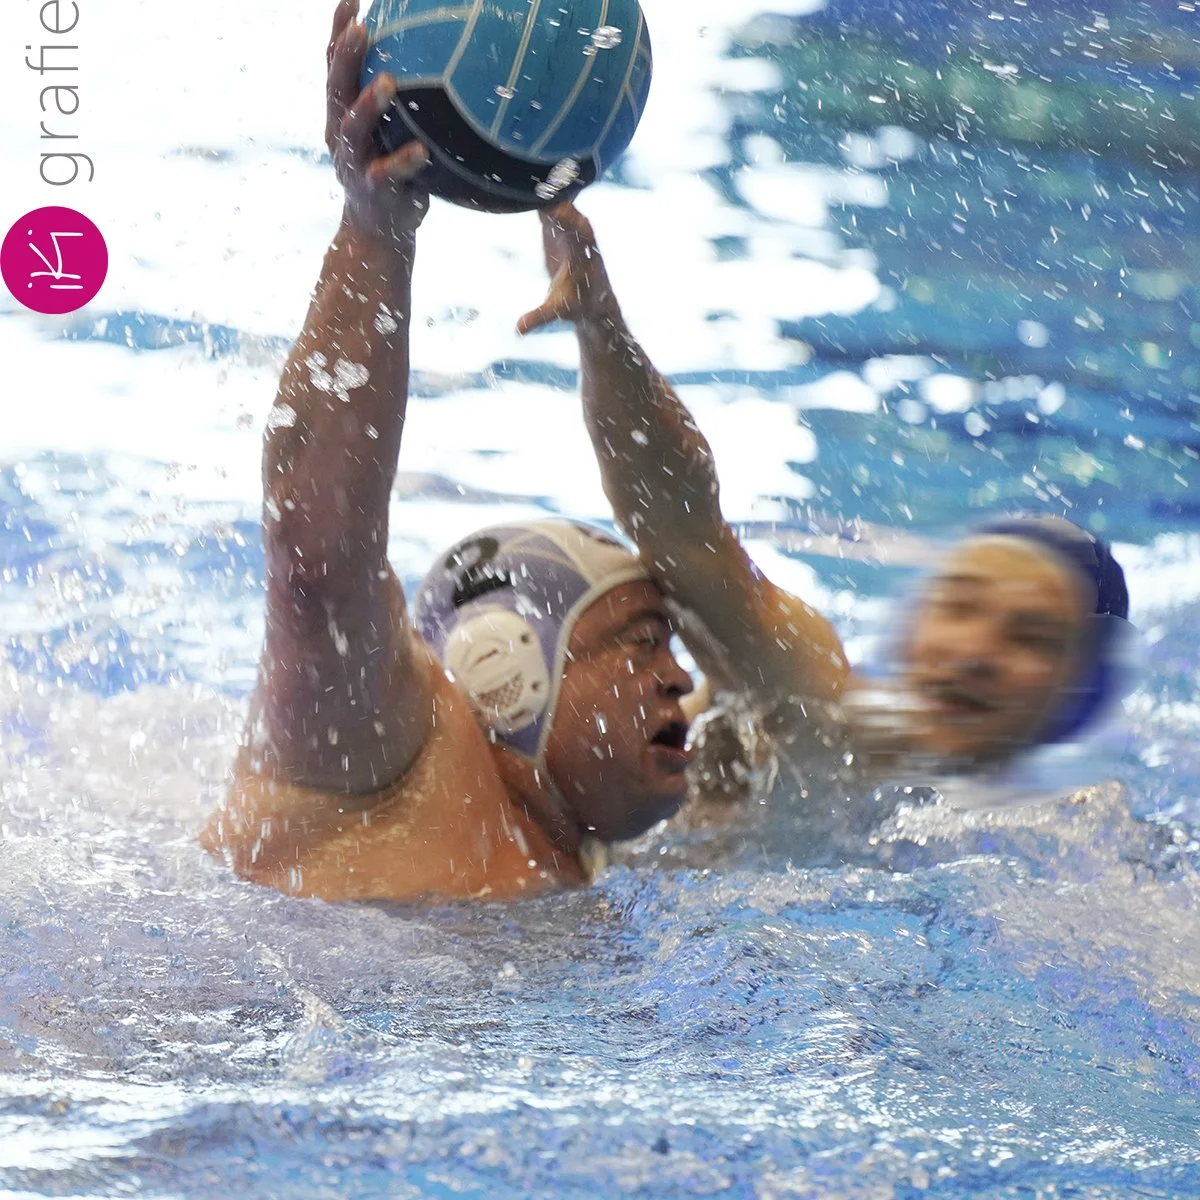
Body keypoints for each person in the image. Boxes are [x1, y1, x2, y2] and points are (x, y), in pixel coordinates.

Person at [200, 0, 695, 902]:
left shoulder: (575, 866)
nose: (681, 679)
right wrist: (376, 228)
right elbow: (317, 563)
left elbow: (706, 537)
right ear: (510, 666)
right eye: (641, 644)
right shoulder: (390, 758)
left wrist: (606, 332)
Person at [515, 203, 1133, 802]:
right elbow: (678, 528)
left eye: (1029, 636)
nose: (974, 653)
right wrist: (602, 328)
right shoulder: (807, 702)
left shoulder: (1076, 832)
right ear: (913, 620)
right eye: (959, 605)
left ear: (1075, 693)